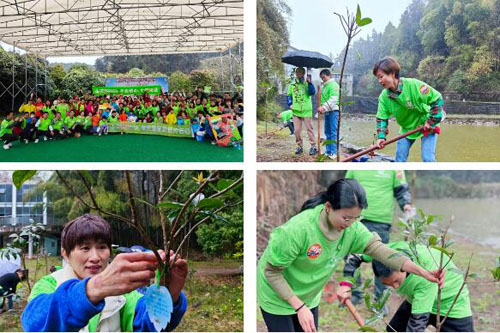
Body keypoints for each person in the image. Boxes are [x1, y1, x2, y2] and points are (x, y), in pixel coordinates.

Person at [257, 179, 444, 332]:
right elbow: (272, 272)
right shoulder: (298, 231)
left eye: (356, 218)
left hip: (308, 293)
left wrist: (422, 271)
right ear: (329, 207)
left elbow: (383, 251)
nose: (350, 223)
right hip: (277, 294)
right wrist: (298, 306)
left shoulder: (352, 229)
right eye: (346, 218)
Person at [21, 214, 188, 332]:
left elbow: (146, 324)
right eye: (85, 248)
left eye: (102, 247)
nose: (95, 257)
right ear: (65, 253)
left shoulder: (123, 293)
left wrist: (168, 295)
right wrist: (96, 288)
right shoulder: (49, 284)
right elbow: (34, 323)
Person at [343, 170, 413, 308]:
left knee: (382, 261)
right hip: (356, 218)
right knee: (350, 256)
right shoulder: (356, 165)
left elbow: (401, 189)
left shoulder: (394, 167)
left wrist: (406, 205)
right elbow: (346, 188)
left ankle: (379, 302)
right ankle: (355, 294)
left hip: (381, 220)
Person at [372, 241, 473, 332]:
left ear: (403, 267)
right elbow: (372, 248)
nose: (395, 287)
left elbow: (417, 323)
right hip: (416, 299)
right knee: (395, 330)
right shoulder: (393, 250)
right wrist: (361, 258)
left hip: (449, 305)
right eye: (387, 284)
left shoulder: (425, 276)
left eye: (396, 281)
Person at [373, 56, 444, 162]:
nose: (379, 81)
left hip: (426, 125)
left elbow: (437, 99)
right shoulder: (384, 97)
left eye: (381, 76)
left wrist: (431, 121)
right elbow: (381, 118)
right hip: (407, 128)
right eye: (378, 78)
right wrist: (381, 137)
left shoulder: (413, 85)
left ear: (392, 73)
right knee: (400, 159)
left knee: (428, 159)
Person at [287, 67, 317, 155]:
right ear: (296, 73)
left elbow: (312, 92)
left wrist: (310, 83)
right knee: (297, 130)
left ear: (303, 73)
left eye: (301, 72)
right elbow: (289, 96)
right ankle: (299, 146)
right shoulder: (292, 85)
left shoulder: (307, 83)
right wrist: (290, 104)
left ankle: (313, 147)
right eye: (297, 72)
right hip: (296, 111)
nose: (299, 74)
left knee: (309, 129)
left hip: (306, 110)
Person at [317, 69, 340, 159]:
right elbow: (322, 99)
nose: (323, 79)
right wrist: (322, 108)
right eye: (322, 78)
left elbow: (333, 99)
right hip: (327, 111)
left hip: (333, 111)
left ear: (329, 75)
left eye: (324, 77)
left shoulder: (334, 85)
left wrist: (323, 107)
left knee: (333, 131)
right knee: (327, 131)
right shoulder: (324, 87)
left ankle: (334, 152)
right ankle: (328, 151)